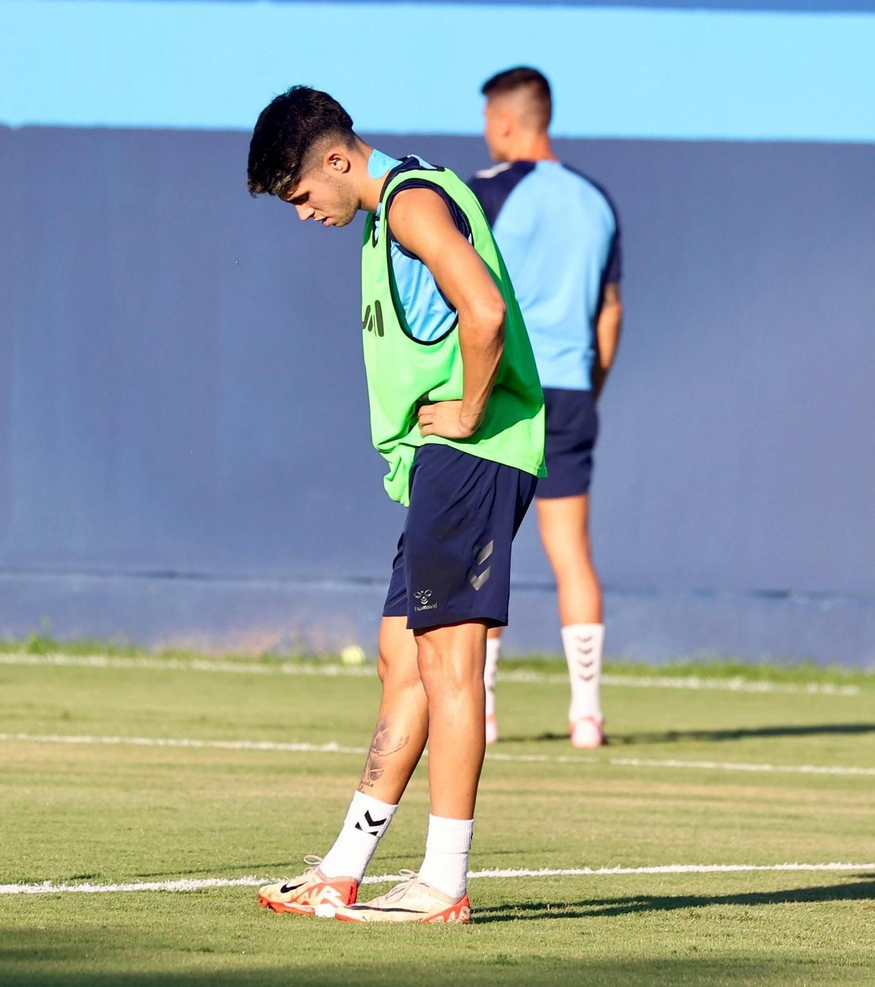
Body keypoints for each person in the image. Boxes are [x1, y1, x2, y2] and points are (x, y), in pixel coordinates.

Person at [245, 86, 545, 924]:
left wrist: (471, 415)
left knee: (449, 665)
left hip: (470, 456)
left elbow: (482, 308)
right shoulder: (387, 219)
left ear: (338, 160)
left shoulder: (411, 203)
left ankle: (444, 881)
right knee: (399, 659)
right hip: (439, 467)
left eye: (301, 195)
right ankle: (343, 867)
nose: (302, 213)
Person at [469, 68, 623, 750]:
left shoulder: (487, 192)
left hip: (506, 390)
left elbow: (473, 301)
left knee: (484, 548)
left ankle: (484, 713)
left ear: (504, 121)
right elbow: (610, 312)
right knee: (572, 554)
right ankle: (586, 716)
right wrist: (591, 387)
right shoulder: (597, 201)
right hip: (570, 390)